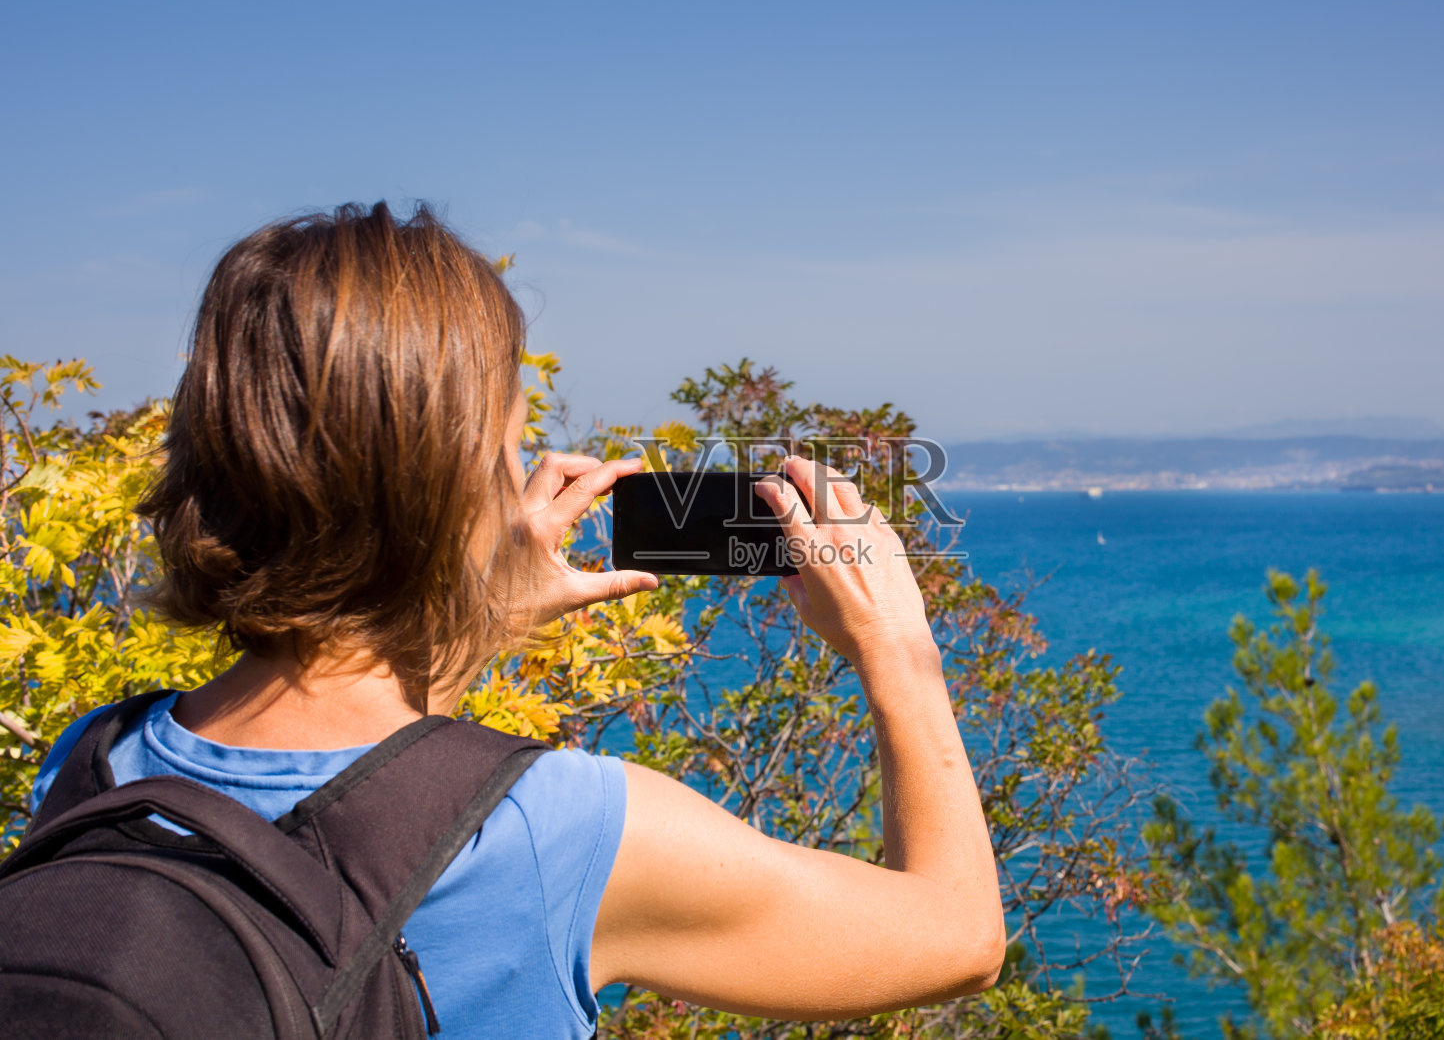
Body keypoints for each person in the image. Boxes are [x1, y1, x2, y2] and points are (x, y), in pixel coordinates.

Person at [28, 202, 1004, 1037]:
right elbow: (957, 937)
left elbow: (368, 795)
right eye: (509, 443)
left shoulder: (91, 764)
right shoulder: (556, 831)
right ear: (453, 485)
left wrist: (464, 612)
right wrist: (895, 641)